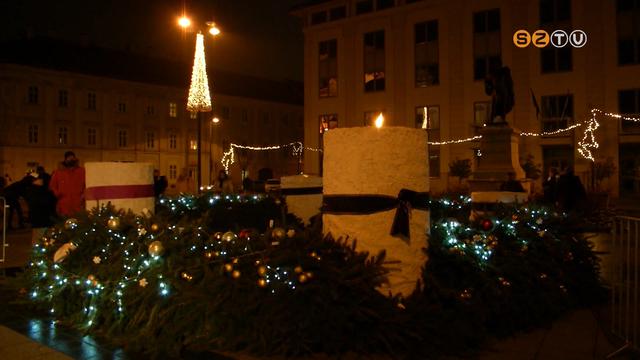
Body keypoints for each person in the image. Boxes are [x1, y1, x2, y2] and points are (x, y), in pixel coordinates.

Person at [49, 151, 85, 217]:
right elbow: (52, 186)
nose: (71, 159)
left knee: (79, 222)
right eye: (69, 158)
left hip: (78, 203)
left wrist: (83, 195)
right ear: (65, 160)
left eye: (72, 158)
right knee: (64, 221)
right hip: (64, 203)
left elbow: (86, 184)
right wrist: (58, 193)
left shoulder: (82, 171)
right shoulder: (58, 172)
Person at [25, 171, 56, 243]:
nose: (41, 180)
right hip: (42, 219)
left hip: (40, 220)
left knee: (40, 239)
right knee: (40, 239)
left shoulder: (33, 190)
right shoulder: (38, 191)